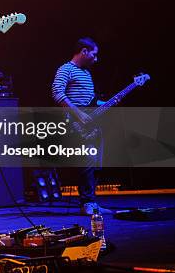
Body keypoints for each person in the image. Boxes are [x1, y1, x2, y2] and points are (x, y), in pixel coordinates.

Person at [51, 37, 111, 215]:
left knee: (95, 163)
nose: (96, 58)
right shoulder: (65, 69)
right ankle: (87, 203)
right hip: (76, 125)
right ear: (84, 51)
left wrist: (107, 103)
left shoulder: (86, 73)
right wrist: (79, 114)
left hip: (91, 124)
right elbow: (57, 93)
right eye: (94, 54)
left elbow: (90, 101)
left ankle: (92, 201)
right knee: (86, 162)